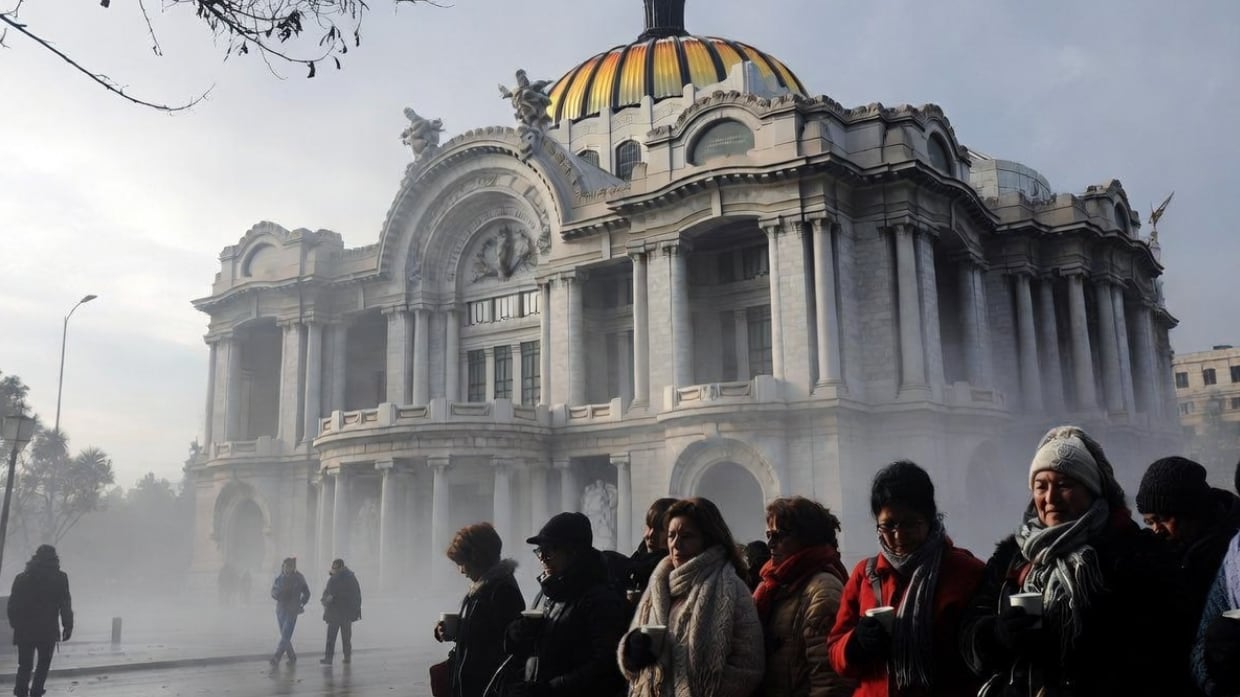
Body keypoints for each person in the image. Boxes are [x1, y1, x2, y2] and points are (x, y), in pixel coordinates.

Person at [959, 425, 1186, 696]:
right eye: (1040, 486)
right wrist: (997, 634)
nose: (1050, 498)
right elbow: (969, 636)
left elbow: (1166, 646)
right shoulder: (1012, 557)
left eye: (1065, 485)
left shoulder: (1133, 553)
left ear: (1092, 490)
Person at [827, 460, 984, 697]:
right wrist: (856, 643)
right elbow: (835, 651)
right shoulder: (864, 575)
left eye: (910, 523)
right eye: (888, 526)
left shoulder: (966, 572)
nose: (899, 535)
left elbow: (982, 653)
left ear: (930, 519)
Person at [619, 497, 765, 697]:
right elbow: (635, 664)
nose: (676, 544)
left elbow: (748, 667)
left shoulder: (733, 589)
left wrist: (701, 692)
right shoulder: (659, 584)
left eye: (687, 536)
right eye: (671, 536)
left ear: (707, 539)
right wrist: (633, 651)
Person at [504, 512, 627, 697]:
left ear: (574, 552)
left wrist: (552, 689)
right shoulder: (546, 592)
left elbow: (607, 663)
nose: (542, 557)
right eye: (539, 550)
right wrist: (516, 633)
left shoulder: (599, 598)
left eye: (550, 549)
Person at [755, 496, 853, 697]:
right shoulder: (777, 583)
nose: (771, 544)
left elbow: (829, 681)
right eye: (769, 535)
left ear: (806, 538)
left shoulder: (822, 590)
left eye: (779, 536)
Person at [1137, 456, 1240, 623]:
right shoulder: (1158, 551)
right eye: (1149, 522)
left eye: (1161, 519)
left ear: (1191, 513)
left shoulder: (1231, 551)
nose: (1156, 530)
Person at [435, 522, 524, 697]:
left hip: (486, 688)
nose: (460, 571)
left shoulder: (502, 591)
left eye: (462, 563)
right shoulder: (483, 588)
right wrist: (449, 631)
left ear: (477, 558)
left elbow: (507, 648)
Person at [7, 544, 72, 697]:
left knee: (24, 665)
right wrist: (67, 626)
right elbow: (65, 604)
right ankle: (36, 691)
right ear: (55, 558)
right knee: (43, 663)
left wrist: (16, 623)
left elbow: (13, 604)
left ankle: (21, 692)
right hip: (47, 629)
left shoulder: (22, 578)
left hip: (25, 629)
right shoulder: (60, 578)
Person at [627, 498, 678, 598]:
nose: (651, 534)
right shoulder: (637, 562)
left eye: (660, 529)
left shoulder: (671, 575)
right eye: (649, 526)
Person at [319, 558, 362, 665]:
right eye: (333, 568)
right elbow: (327, 592)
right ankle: (330, 658)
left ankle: (345, 657)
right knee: (332, 637)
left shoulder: (349, 578)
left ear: (341, 567)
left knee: (345, 638)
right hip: (336, 612)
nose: (334, 570)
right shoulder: (335, 578)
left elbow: (356, 595)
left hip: (344, 613)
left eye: (335, 568)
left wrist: (355, 610)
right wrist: (325, 600)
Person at [269, 557, 311, 665]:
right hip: (280, 609)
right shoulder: (279, 578)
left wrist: (301, 603)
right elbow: (273, 591)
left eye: (289, 566)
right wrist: (277, 595)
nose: (287, 568)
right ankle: (292, 656)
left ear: (293, 567)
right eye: (285, 566)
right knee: (284, 634)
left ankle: (276, 657)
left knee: (286, 634)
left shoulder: (299, 578)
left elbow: (307, 593)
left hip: (292, 610)